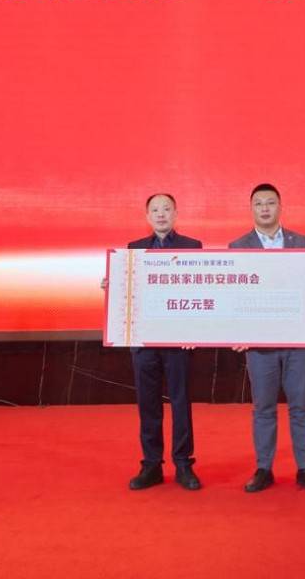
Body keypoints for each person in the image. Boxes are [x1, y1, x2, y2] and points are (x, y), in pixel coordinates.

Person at [229, 183, 305, 494]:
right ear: (251, 209)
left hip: (297, 340)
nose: (265, 208)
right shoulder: (238, 246)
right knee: (263, 408)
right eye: (259, 203)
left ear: (280, 207)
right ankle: (263, 469)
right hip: (259, 344)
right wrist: (236, 331)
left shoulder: (300, 241)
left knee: (301, 407)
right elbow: (232, 294)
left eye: (270, 203)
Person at [123, 193, 203, 491]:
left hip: (179, 340)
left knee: (181, 402)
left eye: (166, 209)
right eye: (155, 210)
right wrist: (114, 285)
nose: (160, 214)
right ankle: (152, 464)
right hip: (144, 340)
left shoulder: (192, 247)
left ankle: (183, 463)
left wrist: (194, 331)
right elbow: (129, 289)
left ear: (176, 213)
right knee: (148, 403)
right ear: (147, 216)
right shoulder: (134, 249)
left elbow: (199, 290)